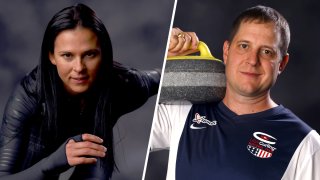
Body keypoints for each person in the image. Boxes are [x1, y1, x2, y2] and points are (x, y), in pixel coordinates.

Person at [150, 5, 320, 180]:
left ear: (282, 63)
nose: (253, 60)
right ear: (226, 51)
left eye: (267, 51)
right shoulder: (184, 111)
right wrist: (164, 55)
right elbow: (127, 115)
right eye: (244, 46)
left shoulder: (305, 145)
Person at [0, 3, 160, 179]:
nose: (79, 68)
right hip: (34, 172)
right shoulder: (28, 97)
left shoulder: (122, 84)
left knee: (97, 156)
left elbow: (166, 77)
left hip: (94, 156)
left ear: (103, 54)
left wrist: (182, 45)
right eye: (67, 55)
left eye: (89, 54)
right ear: (52, 56)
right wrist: (53, 163)